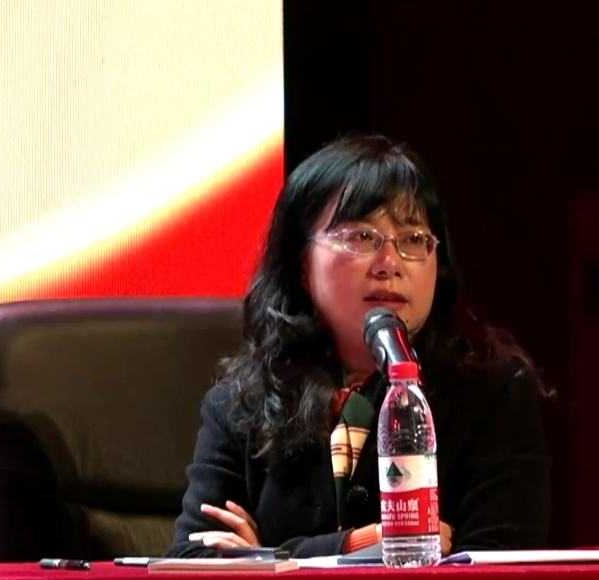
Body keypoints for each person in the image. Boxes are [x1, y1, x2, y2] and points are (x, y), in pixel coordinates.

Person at [166, 134, 551, 558]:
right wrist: (362, 544)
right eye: (362, 238)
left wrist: (267, 559)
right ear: (300, 262)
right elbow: (192, 559)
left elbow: (499, 565)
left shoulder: (492, 392)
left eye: (414, 240)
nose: (390, 265)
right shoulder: (244, 400)